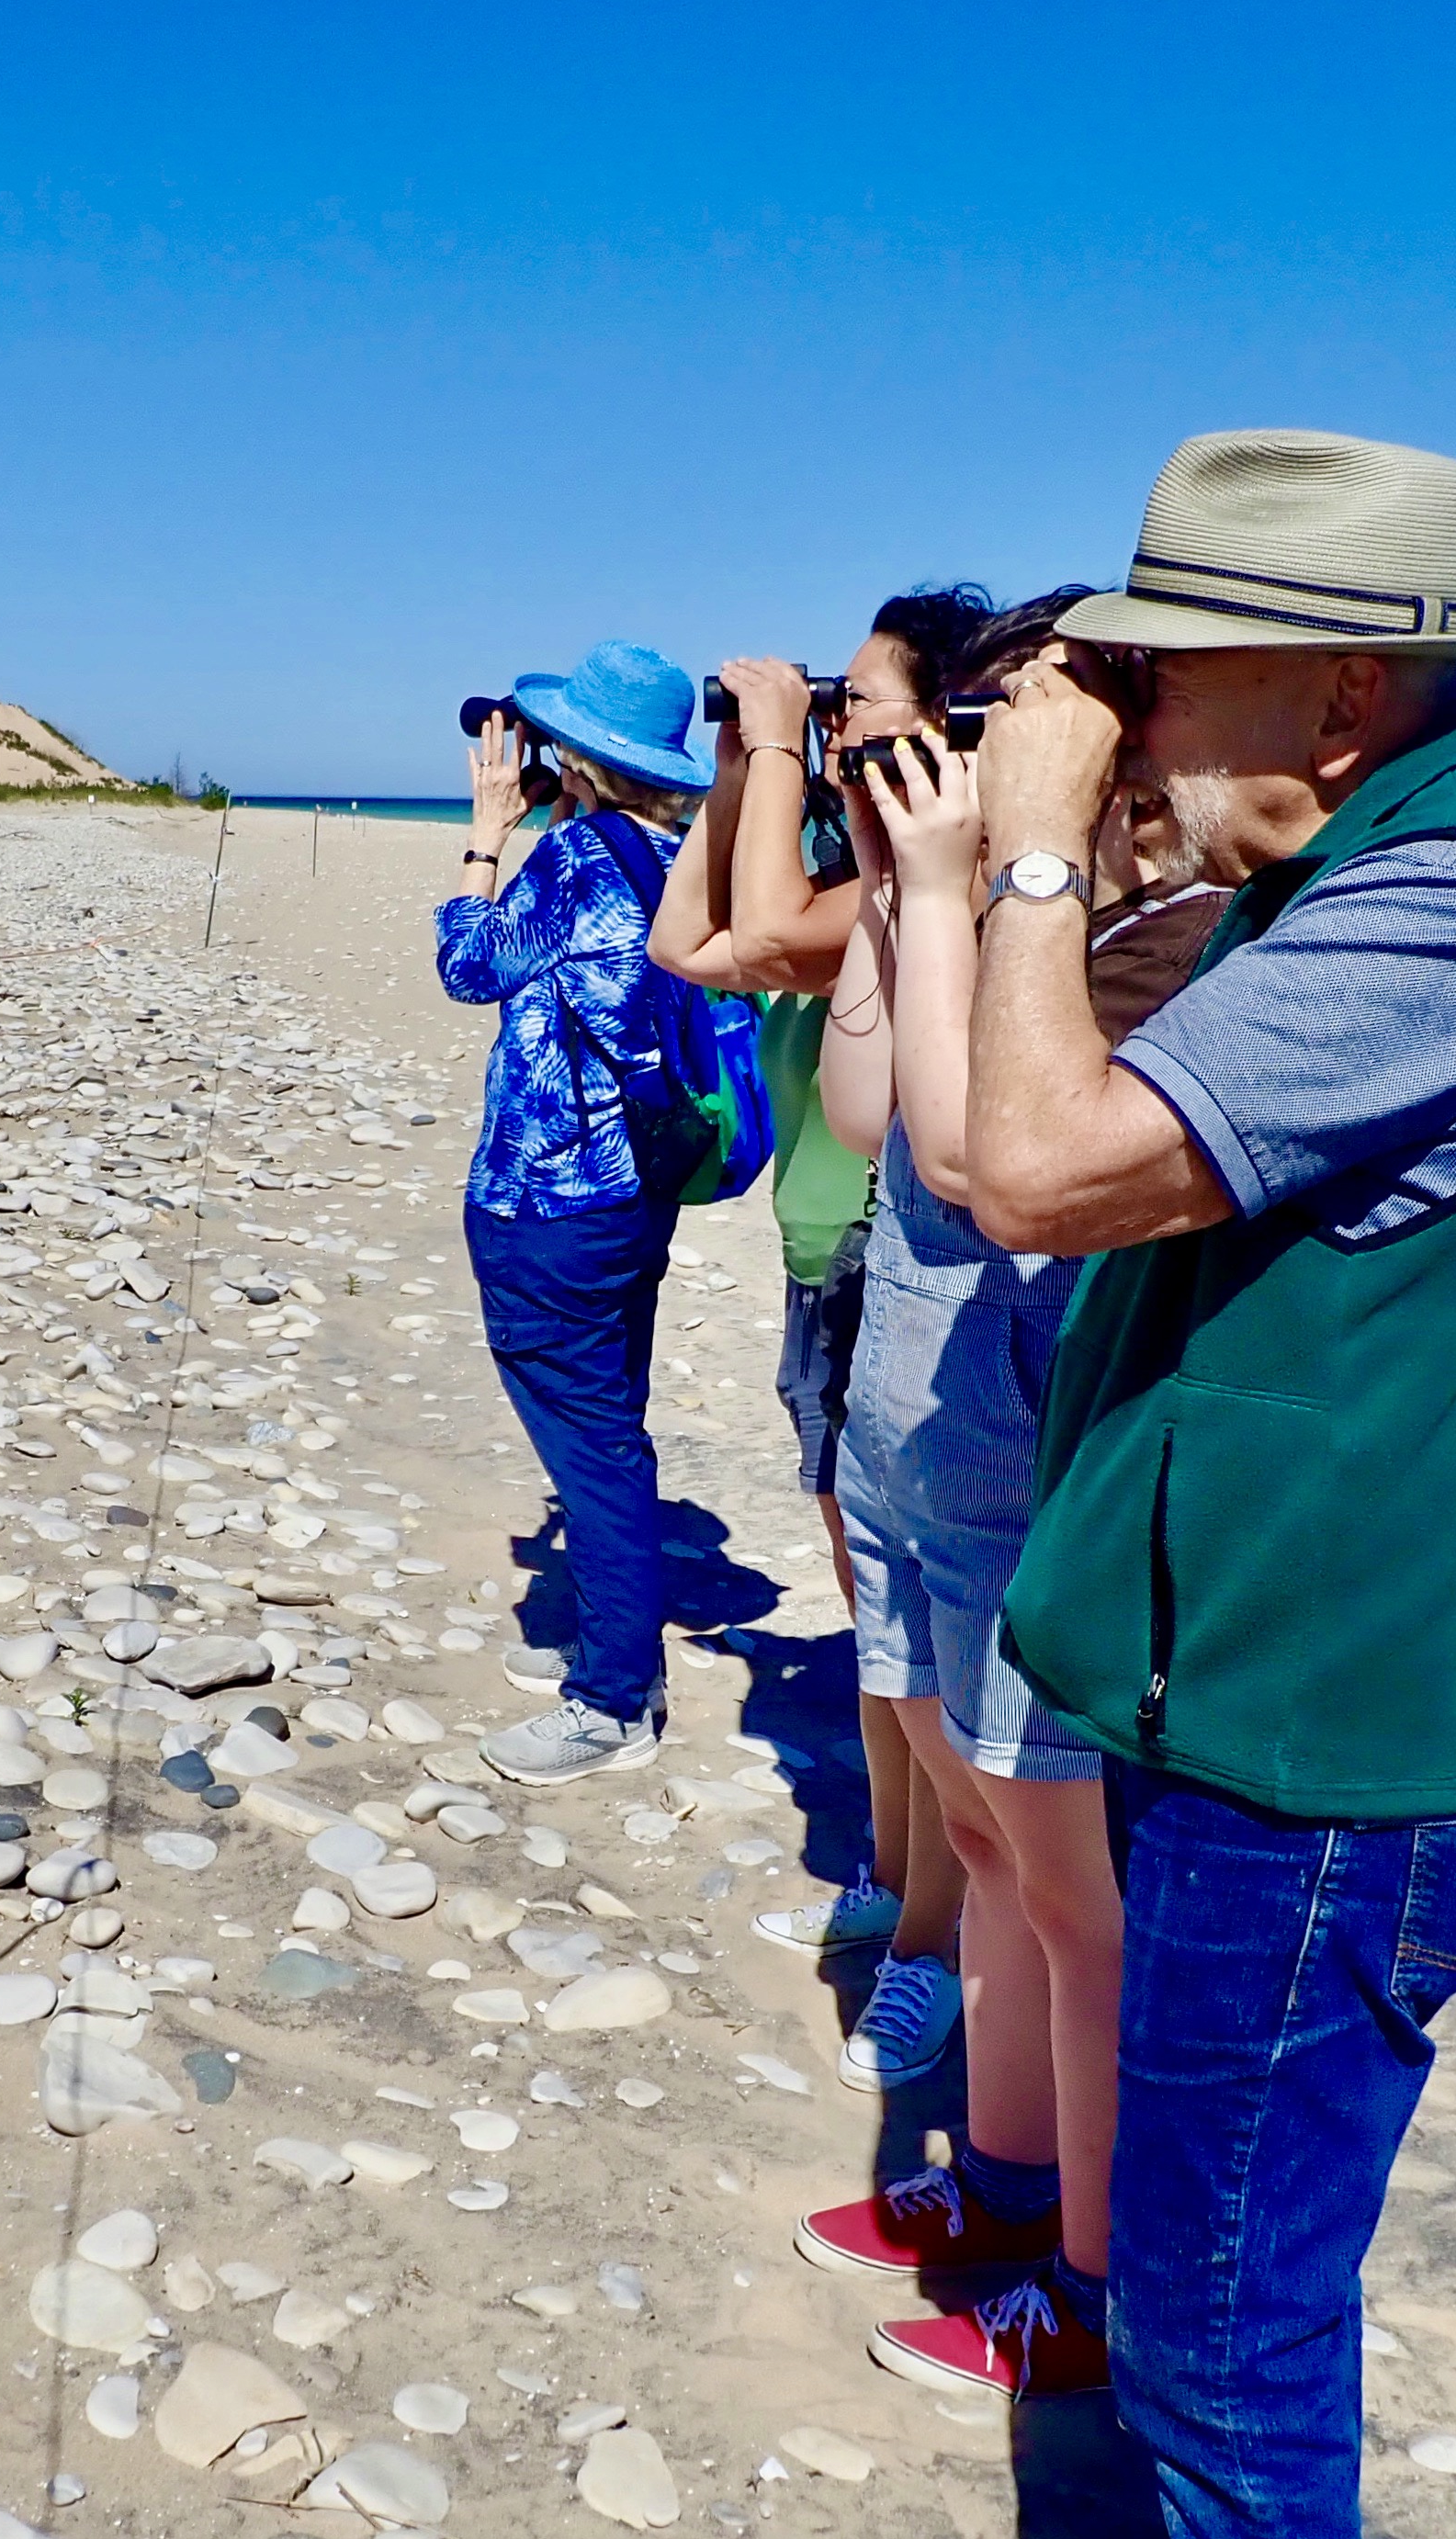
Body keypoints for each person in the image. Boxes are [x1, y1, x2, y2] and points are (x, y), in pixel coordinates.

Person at [965, 430, 1456, 2539]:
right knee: (1216, 2312)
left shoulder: (1442, 908)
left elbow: (1042, 1175)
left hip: (1322, 1767)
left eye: (1161, 673)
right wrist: (1040, 855)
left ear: (1340, 702)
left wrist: (1039, 848)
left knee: (1227, 2355)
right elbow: (978, 1142)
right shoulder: (1357, 871)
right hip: (1257, 1714)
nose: (1121, 711)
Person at [788, 589, 1228, 2400]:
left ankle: (1095, 2286)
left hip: (1031, 1464)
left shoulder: (1172, 943)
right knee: (990, 1857)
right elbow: (872, 1110)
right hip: (935, 1447)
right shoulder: (1003, 918)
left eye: (1013, 722)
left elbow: (975, 1161)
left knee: (1073, 1902)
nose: (973, 757)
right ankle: (1005, 2189)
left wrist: (999, 880)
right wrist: (912, 895)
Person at [649, 595, 1024, 2093]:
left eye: (862, 697)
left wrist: (778, 748)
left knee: (920, 1647)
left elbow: (741, 946)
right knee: (880, 1638)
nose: (842, 716)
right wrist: (753, 772)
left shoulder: (958, 889)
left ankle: (935, 1939)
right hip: (833, 1273)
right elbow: (693, 936)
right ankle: (898, 1879)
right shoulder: (870, 878)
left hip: (902, 1273)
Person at [438, 639, 715, 1786]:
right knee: (613, 1420)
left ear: (579, 758)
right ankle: (617, 1645)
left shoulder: (571, 859)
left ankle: (611, 1700)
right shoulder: (671, 856)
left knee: (592, 1447)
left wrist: (486, 835)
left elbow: (468, 967)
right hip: (633, 1188)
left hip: (548, 1199)